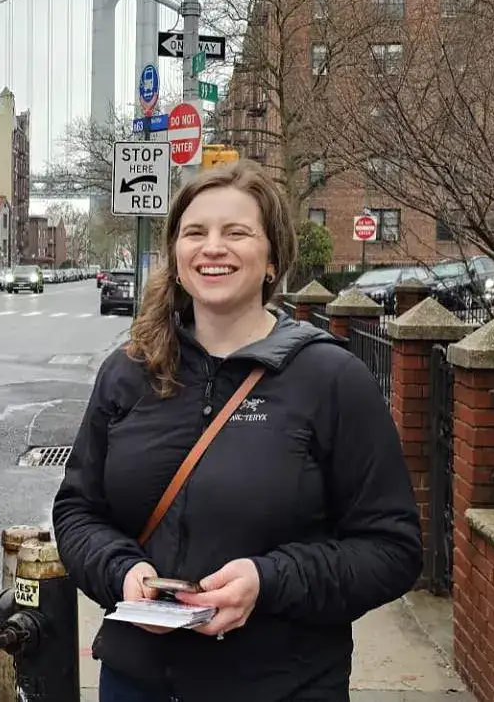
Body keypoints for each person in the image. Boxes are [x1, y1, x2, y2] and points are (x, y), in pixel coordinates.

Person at [52, 162, 422, 702]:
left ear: (272, 259)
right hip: (137, 683)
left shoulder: (331, 379)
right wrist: (123, 573)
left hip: (282, 686)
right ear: (176, 258)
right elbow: (78, 511)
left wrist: (266, 581)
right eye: (195, 233)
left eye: (237, 233)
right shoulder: (129, 372)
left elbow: (392, 550)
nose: (213, 248)